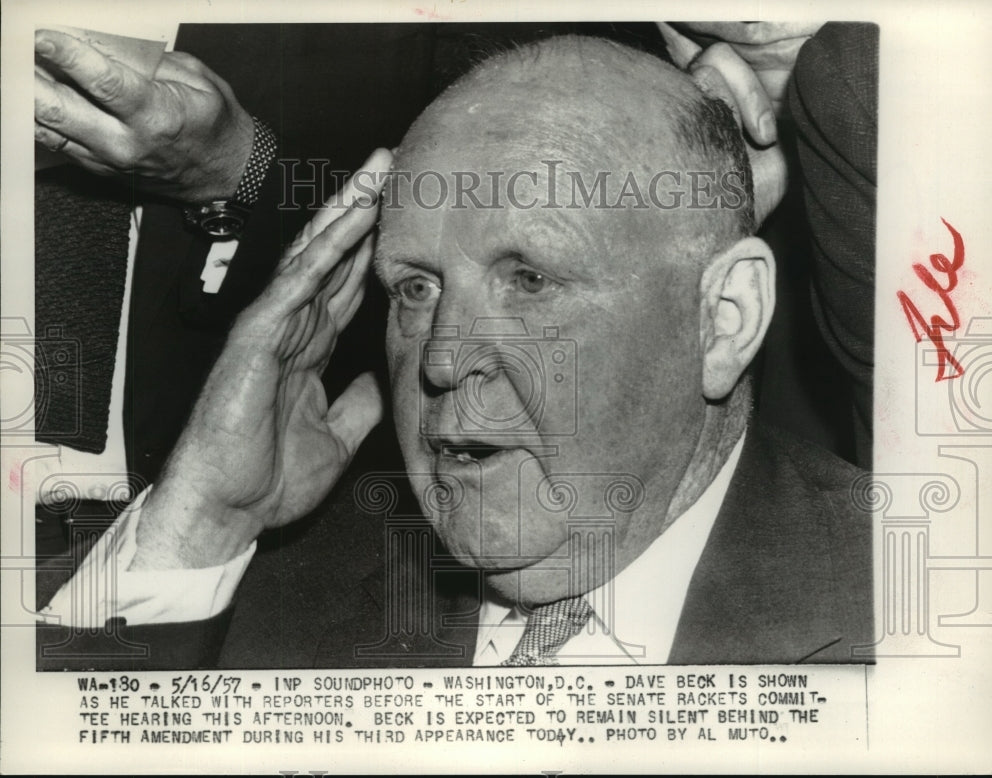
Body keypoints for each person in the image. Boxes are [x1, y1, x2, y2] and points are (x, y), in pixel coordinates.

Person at [37, 34, 872, 669]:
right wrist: (203, 519)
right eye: (416, 288)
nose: (441, 360)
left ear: (724, 317)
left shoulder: (908, 608)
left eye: (530, 280)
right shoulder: (264, 595)